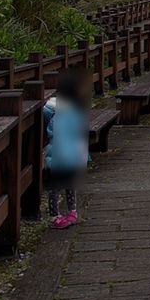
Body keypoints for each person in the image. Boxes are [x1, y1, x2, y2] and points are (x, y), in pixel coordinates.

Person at [43, 70, 89, 229]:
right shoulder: (71, 111)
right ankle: (60, 215)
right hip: (61, 155)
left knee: (61, 186)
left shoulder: (57, 110)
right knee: (60, 186)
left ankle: (65, 213)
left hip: (60, 154)